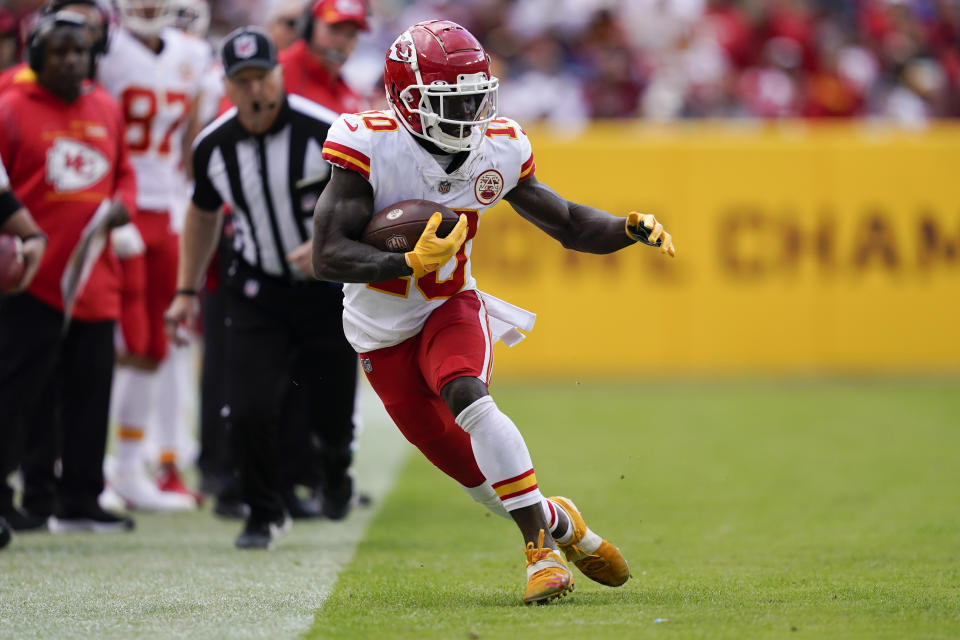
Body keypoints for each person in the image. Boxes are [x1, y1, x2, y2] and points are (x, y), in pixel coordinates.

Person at [312, 19, 675, 604]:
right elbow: (327, 255)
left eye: (476, 98)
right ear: (407, 100)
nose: (469, 115)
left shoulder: (497, 146)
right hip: (378, 336)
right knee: (487, 489)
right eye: (452, 101)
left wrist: (626, 229)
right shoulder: (367, 142)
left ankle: (541, 557)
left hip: (450, 307)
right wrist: (408, 263)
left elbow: (567, 223)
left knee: (465, 392)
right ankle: (562, 524)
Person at [164, 27, 359, 549]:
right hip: (255, 290)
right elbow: (202, 216)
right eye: (242, 80)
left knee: (332, 410)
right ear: (226, 86)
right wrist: (185, 290)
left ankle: (336, 464)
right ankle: (262, 512)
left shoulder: (329, 131)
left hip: (324, 289)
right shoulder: (213, 145)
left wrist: (329, 245)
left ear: (280, 74)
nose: (254, 90)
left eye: (262, 77)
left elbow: (373, 203)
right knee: (247, 406)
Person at [0, 9, 137, 533]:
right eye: (58, 51)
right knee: (20, 394)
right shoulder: (11, 108)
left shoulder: (105, 107)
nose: (70, 60)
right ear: (35, 55)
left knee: (89, 391)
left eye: (78, 51)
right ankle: (25, 496)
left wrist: (123, 203)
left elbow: (123, 174)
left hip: (93, 279)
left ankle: (80, 497)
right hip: (31, 280)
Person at [96, 0, 215, 511]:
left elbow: (189, 143)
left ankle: (128, 466)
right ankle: (91, 464)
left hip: (166, 204)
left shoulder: (190, 53)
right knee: (103, 338)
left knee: (153, 341)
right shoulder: (105, 51)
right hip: (115, 204)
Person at [277, 0, 368, 114]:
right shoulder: (277, 71)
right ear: (309, 28)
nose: (342, 41)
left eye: (351, 34)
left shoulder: (353, 98)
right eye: (335, 29)